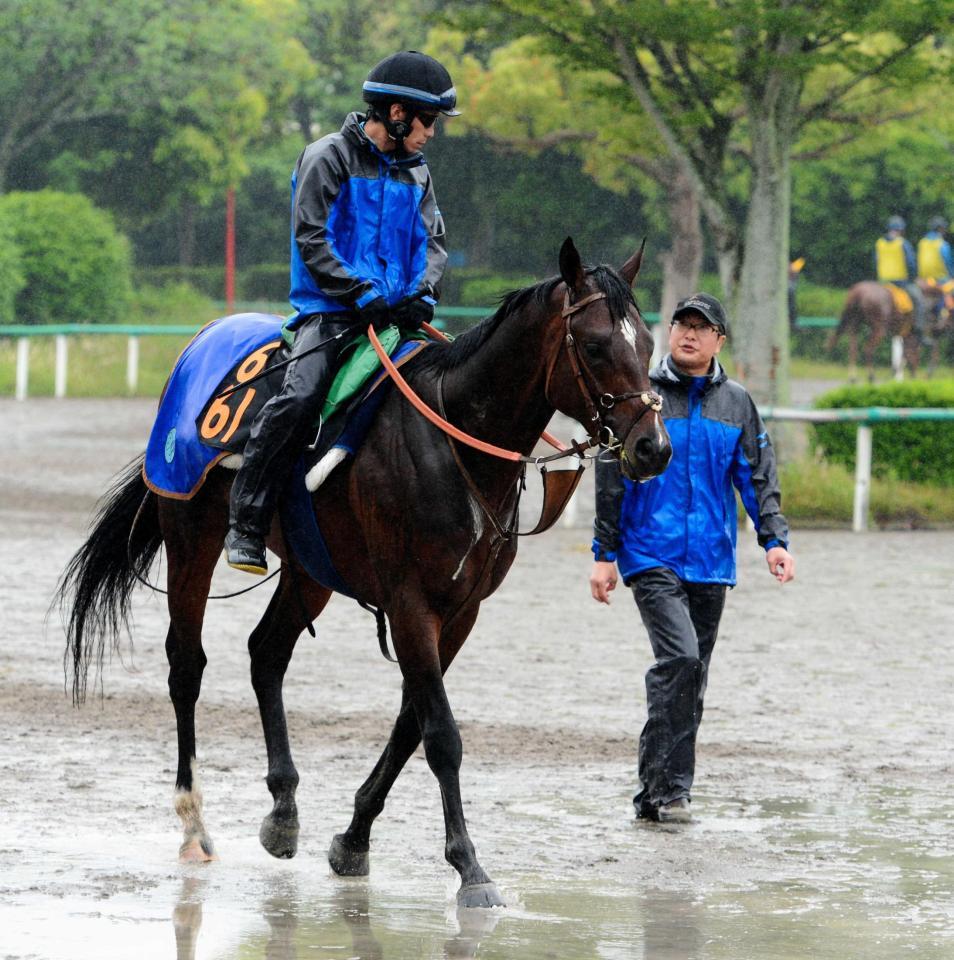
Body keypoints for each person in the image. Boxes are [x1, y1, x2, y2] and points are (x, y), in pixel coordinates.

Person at [225, 51, 459, 574]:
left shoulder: (417, 173)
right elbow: (312, 237)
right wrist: (358, 293)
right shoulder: (326, 156)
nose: (433, 134)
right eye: (430, 122)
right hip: (331, 313)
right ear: (397, 114)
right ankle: (247, 521)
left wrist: (424, 292)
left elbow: (434, 243)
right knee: (302, 394)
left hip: (398, 317)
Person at [589, 293, 795, 824]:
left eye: (702, 328)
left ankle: (654, 796)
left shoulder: (738, 404)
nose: (689, 334)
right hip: (649, 553)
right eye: (683, 324)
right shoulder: (642, 397)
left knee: (691, 679)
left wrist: (773, 541)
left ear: (718, 341)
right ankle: (671, 791)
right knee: (679, 660)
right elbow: (611, 478)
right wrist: (604, 554)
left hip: (711, 560)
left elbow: (757, 479)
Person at [875, 215, 928, 345]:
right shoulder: (903, 243)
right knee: (920, 301)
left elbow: (875, 262)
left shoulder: (879, 243)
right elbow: (911, 263)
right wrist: (914, 278)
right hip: (900, 283)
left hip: (882, 283)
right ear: (901, 230)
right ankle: (919, 332)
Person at [917, 216, 954, 325]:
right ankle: (943, 314)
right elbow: (948, 263)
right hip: (941, 279)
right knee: (948, 292)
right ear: (941, 229)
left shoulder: (922, 243)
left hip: (923, 280)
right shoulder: (943, 244)